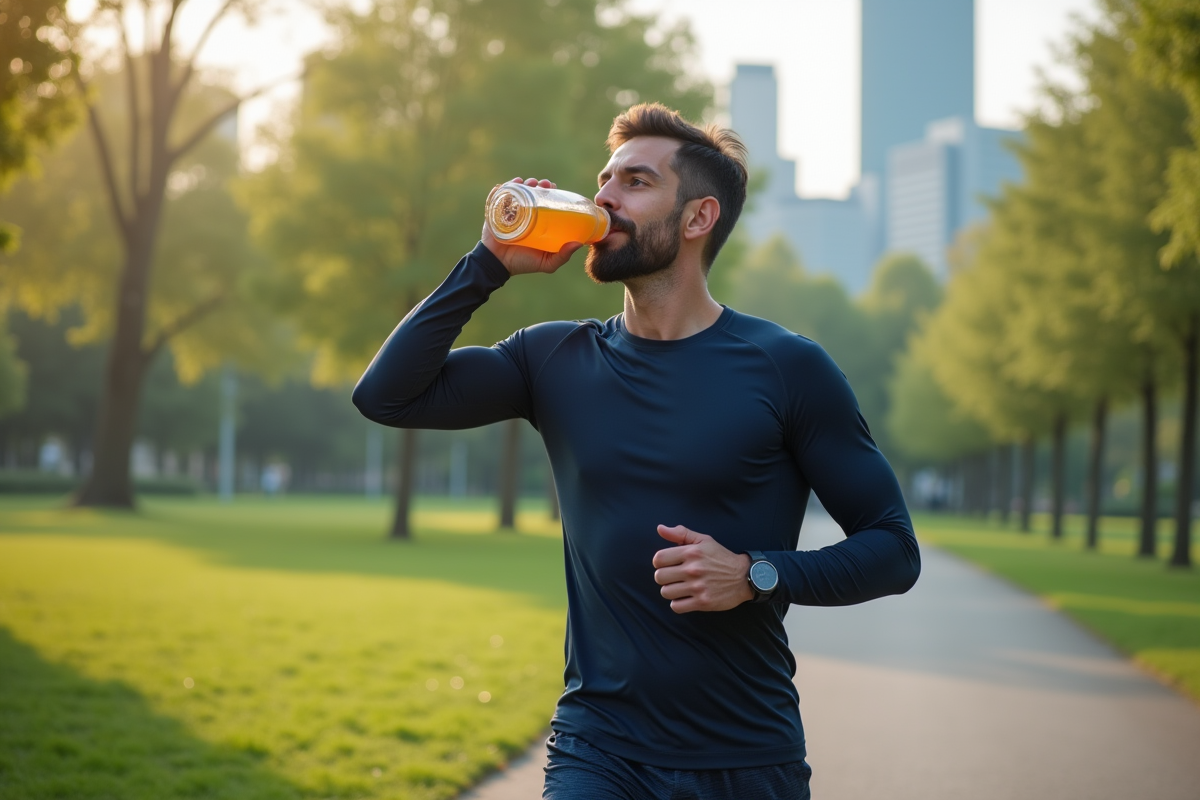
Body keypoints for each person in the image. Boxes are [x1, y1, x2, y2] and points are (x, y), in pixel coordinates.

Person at [352, 103, 920, 800]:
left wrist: (755, 574)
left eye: (636, 182)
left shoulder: (787, 368)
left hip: (746, 758)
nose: (604, 198)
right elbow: (387, 395)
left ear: (697, 218)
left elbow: (894, 549)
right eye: (605, 178)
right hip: (598, 749)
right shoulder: (552, 357)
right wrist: (488, 264)